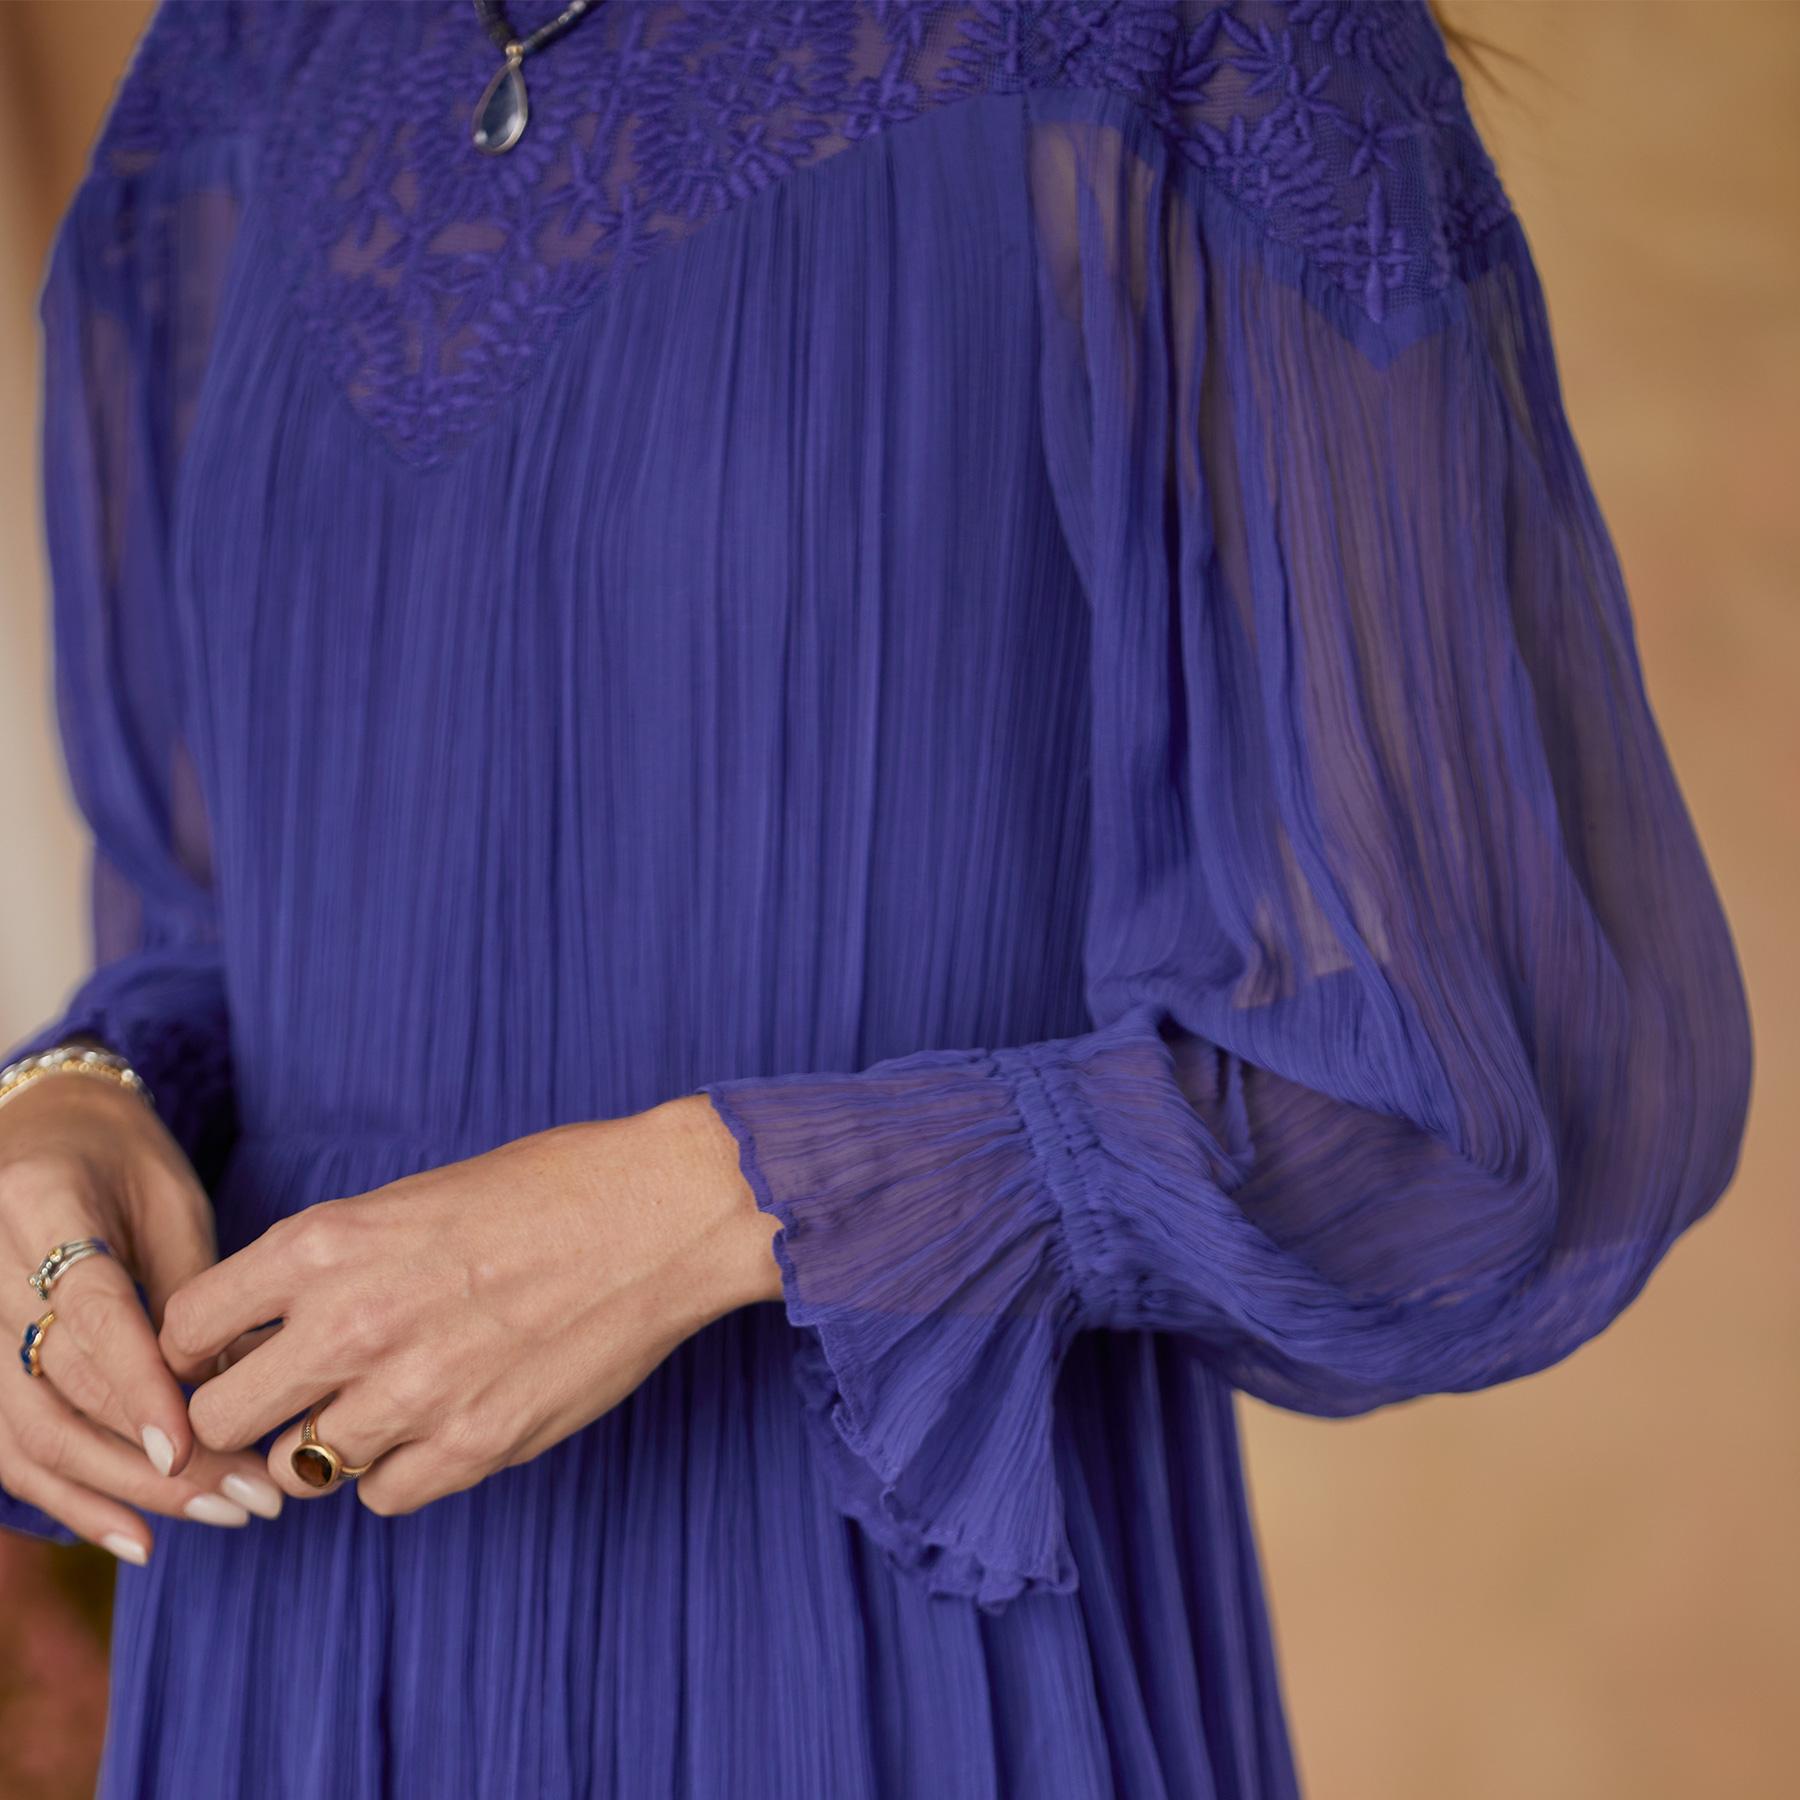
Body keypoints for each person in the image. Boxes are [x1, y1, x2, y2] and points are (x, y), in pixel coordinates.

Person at [0, 1, 1754, 1795]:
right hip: (297, 1649)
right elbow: (224, 923)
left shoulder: (1195, 33)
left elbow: (1482, 1090)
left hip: (877, 1631)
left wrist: (726, 1199)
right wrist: (74, 1105)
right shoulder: (254, 52)